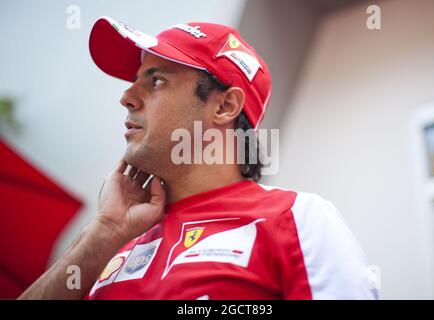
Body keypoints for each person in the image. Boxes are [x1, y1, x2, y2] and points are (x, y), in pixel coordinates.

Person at [19, 17, 377, 300]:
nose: (126, 97)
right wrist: (104, 233)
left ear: (223, 106)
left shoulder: (299, 219)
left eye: (156, 81)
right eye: (135, 80)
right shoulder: (111, 242)